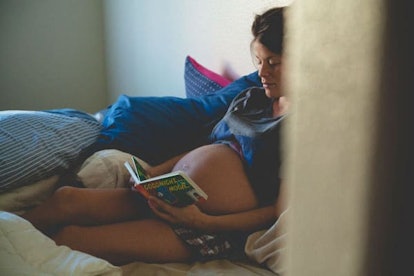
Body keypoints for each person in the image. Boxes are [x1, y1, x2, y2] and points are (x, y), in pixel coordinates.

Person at [22, 7, 289, 265]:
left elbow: (277, 210)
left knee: (74, 239)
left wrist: (202, 221)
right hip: (169, 193)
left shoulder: (303, 131)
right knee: (66, 199)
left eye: (273, 63)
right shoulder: (252, 98)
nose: (262, 73)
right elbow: (214, 146)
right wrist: (154, 174)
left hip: (208, 227)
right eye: (259, 62)